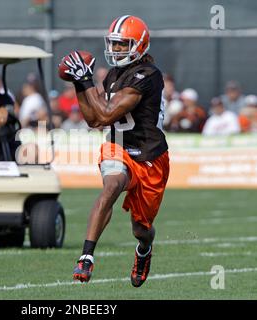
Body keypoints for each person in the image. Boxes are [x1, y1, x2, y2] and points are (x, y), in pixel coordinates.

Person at [62, 15, 169, 287]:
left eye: (123, 45)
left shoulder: (149, 75)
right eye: (114, 44)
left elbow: (107, 114)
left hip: (149, 158)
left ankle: (143, 250)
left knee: (141, 229)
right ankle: (86, 257)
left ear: (139, 45)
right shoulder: (113, 75)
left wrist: (86, 82)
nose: (117, 50)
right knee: (111, 186)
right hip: (118, 147)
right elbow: (94, 120)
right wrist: (79, 84)